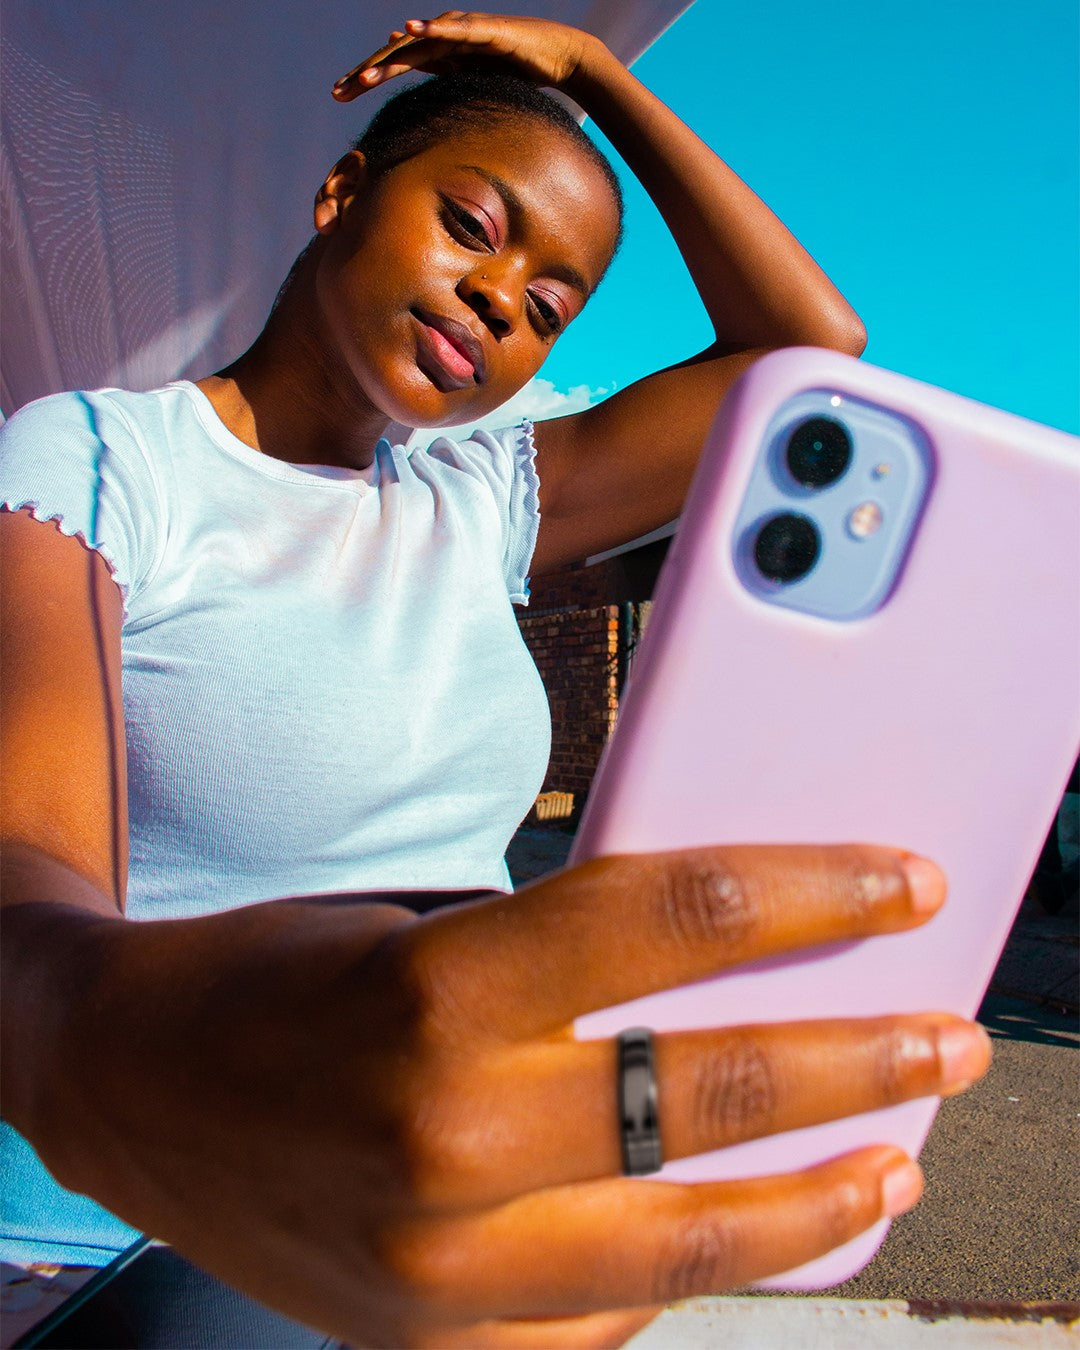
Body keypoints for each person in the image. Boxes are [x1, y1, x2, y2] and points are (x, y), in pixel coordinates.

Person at [0, 13, 992, 1347]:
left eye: (548, 307)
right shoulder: (103, 460)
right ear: (343, 190)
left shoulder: (481, 495)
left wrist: (590, 72)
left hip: (452, 1190)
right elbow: (27, 863)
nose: (499, 299)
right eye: (473, 225)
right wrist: (98, 1050)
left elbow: (804, 354)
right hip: (125, 1219)